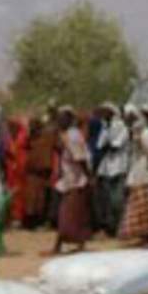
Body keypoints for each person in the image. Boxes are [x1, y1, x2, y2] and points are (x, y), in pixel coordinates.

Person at [47, 107, 92, 255]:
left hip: (76, 179)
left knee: (69, 214)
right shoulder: (66, 134)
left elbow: (80, 158)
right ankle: (69, 244)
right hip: (69, 178)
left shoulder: (73, 136)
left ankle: (65, 245)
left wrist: (88, 176)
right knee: (72, 213)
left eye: (61, 119)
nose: (59, 122)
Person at [120, 106, 148, 245]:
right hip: (138, 169)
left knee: (145, 202)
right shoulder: (137, 133)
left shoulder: (146, 133)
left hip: (144, 170)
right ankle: (143, 233)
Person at [95, 102, 130, 236]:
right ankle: (110, 228)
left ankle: (120, 226)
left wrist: (107, 145)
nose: (103, 114)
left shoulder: (121, 127)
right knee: (107, 200)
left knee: (117, 200)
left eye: (106, 112)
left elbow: (116, 145)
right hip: (107, 167)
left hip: (119, 166)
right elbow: (100, 145)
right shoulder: (105, 127)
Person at [23, 116, 56, 229]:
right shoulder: (30, 138)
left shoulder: (48, 136)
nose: (32, 128)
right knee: (31, 198)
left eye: (34, 125)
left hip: (43, 171)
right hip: (32, 171)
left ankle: (39, 220)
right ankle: (31, 221)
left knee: (40, 197)